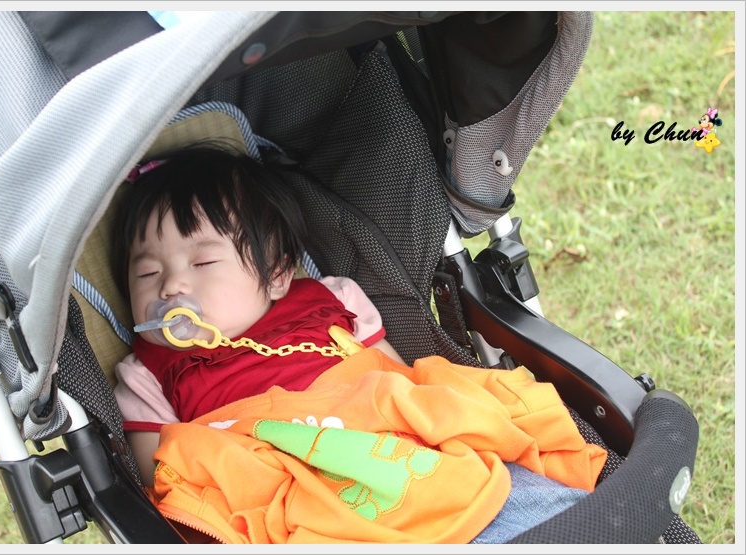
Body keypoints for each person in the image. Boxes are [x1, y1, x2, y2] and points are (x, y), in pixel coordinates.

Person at [110, 142, 606, 544]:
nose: (171, 287)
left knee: (507, 497)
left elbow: (395, 380)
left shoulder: (330, 300)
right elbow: (168, 481)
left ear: (277, 274)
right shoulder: (148, 373)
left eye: (202, 264)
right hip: (298, 498)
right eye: (147, 273)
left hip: (408, 460)